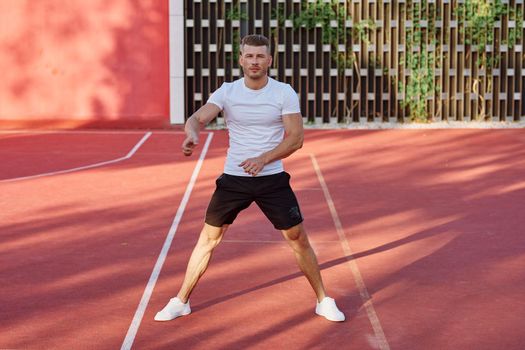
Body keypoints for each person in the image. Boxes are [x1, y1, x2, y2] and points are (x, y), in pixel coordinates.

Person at [154, 34, 345, 322]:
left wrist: (263, 159)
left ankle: (323, 300)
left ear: (270, 60)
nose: (254, 61)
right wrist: (192, 133)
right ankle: (180, 301)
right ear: (241, 59)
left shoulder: (284, 92)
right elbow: (197, 118)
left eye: (260, 56)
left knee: (297, 238)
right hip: (234, 179)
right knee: (209, 238)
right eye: (249, 56)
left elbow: (296, 139)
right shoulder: (227, 91)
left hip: (272, 179)